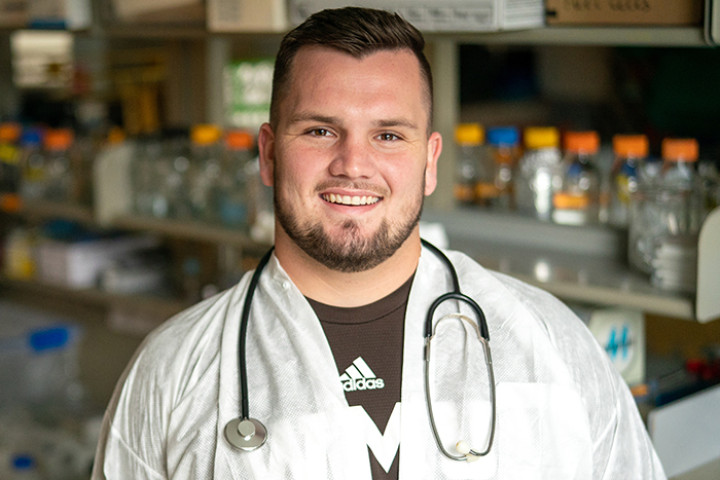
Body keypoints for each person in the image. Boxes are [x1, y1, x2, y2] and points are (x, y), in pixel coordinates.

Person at [92, 7, 666, 479]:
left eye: (389, 135)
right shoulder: (171, 374)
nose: (353, 165)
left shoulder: (549, 342)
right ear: (268, 154)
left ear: (430, 162)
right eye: (320, 130)